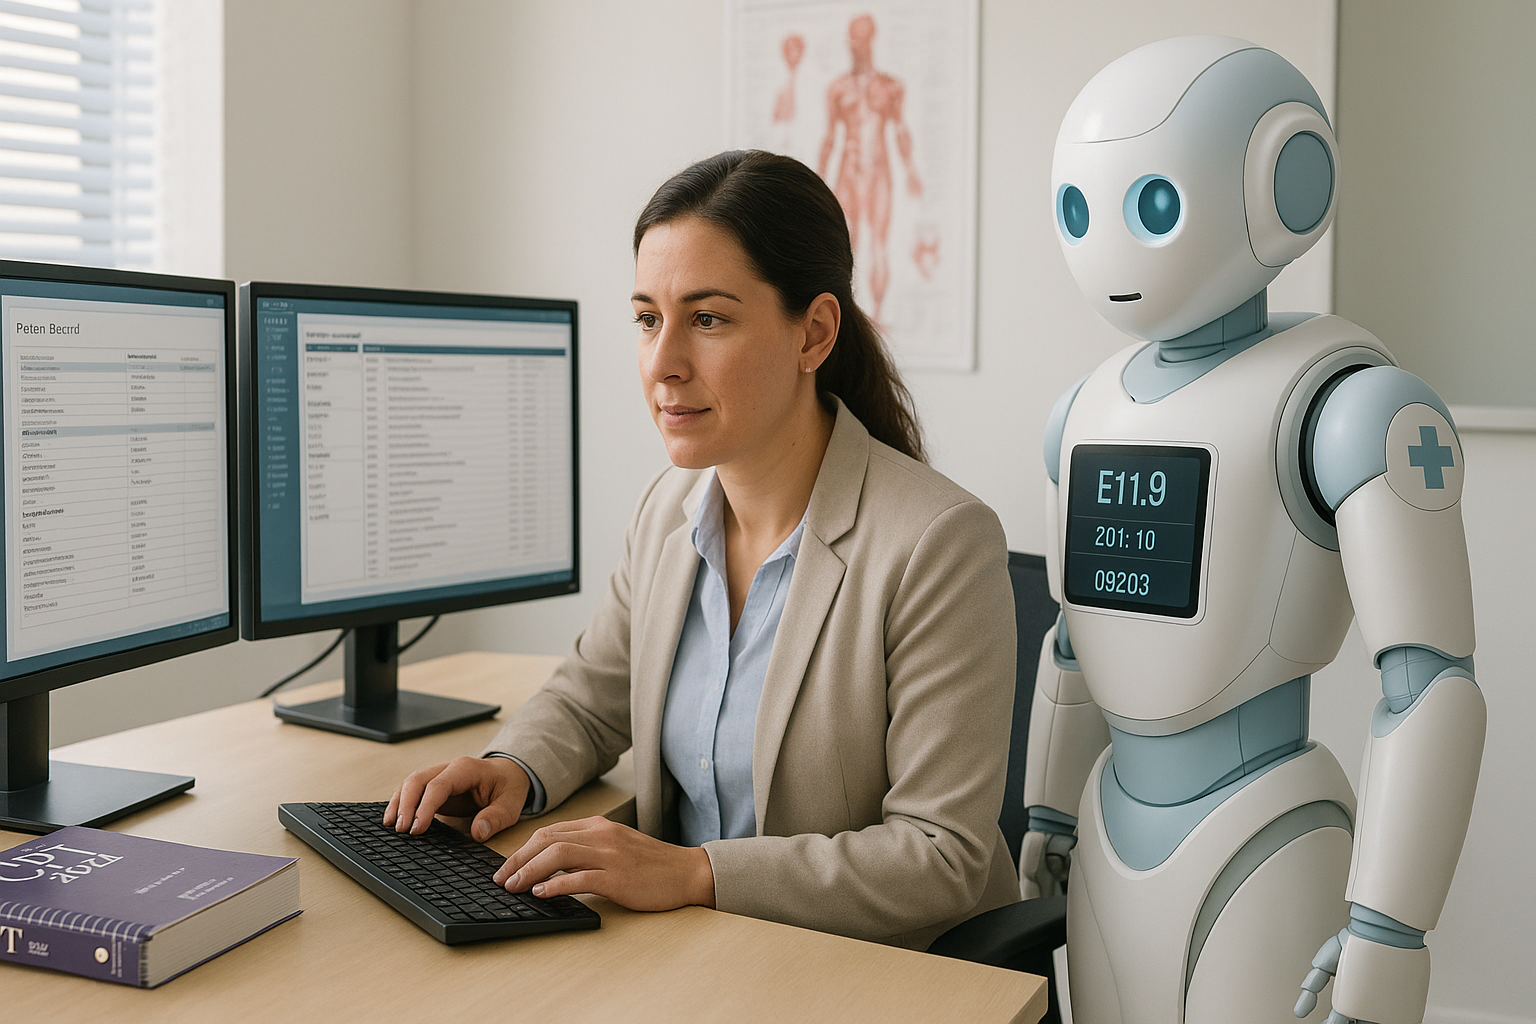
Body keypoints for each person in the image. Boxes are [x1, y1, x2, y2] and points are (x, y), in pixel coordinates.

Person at [384, 150, 1018, 949]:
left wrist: (695, 873)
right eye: (649, 318)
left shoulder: (938, 543)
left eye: (707, 319)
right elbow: (593, 697)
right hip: (704, 956)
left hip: (869, 972)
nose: (662, 364)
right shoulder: (668, 510)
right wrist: (515, 768)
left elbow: (942, 855)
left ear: (814, 332)